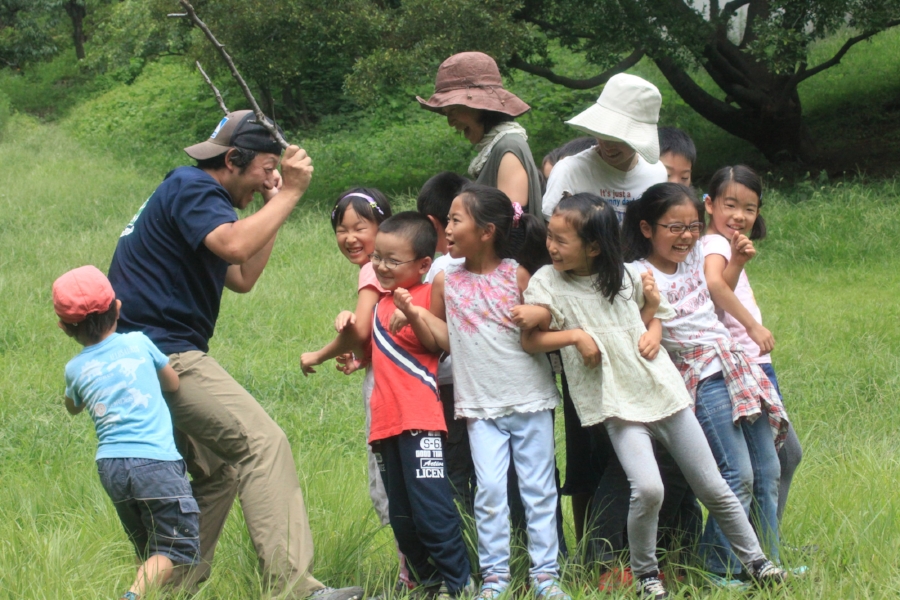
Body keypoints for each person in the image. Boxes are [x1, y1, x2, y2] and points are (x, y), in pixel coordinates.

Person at [106, 110, 362, 600]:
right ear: (232, 159)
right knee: (263, 444)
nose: (272, 176)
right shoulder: (190, 185)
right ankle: (295, 589)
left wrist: (276, 204)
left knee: (218, 472)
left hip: (141, 357)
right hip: (163, 351)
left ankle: (172, 588)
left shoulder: (196, 202)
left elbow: (241, 275)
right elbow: (233, 245)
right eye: (267, 167)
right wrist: (290, 192)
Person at [518, 193, 788, 599]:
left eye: (561, 239)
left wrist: (654, 331)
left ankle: (757, 562)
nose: (551, 246)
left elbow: (651, 318)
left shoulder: (626, 276)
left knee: (713, 485)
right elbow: (531, 340)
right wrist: (575, 335)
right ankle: (647, 575)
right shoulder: (547, 282)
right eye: (551, 237)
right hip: (617, 404)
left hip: (663, 390)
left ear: (593, 246)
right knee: (648, 488)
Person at [395, 184, 569, 600]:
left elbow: (548, 323)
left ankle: (546, 575)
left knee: (538, 489)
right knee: (490, 490)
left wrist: (541, 313)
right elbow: (444, 339)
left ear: (487, 231)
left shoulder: (517, 274)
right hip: (479, 407)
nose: (447, 229)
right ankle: (495, 576)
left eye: (456, 220)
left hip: (530, 399)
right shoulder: (446, 280)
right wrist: (414, 314)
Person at [623, 182, 790, 584]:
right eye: (674, 228)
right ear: (647, 229)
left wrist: (738, 260)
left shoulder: (699, 251)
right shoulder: (637, 274)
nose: (685, 237)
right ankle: (715, 565)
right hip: (700, 374)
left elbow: (717, 289)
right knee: (737, 474)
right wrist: (649, 308)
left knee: (768, 469)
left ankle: (762, 562)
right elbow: (640, 331)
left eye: (692, 227)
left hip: (733, 362)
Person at [54, 265, 199, 600]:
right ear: (117, 307)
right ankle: (132, 596)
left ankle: (145, 593)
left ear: (64, 328)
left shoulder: (74, 369)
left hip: (112, 467)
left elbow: (73, 406)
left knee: (147, 545)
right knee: (175, 548)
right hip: (156, 463)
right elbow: (173, 383)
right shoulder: (139, 343)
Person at [299, 190, 414, 589]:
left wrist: (317, 353)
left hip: (388, 391)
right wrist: (363, 356)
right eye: (341, 229)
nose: (349, 237)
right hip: (409, 381)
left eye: (359, 227)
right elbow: (379, 334)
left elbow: (362, 329)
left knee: (390, 479)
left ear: (383, 227)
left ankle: (410, 575)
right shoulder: (400, 271)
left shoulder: (371, 271)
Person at [364, 212, 474, 599]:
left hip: (420, 421)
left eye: (393, 260)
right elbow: (372, 348)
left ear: (423, 264)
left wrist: (412, 310)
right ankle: (428, 585)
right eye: (377, 256)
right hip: (384, 425)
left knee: (432, 510)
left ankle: (460, 583)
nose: (381, 266)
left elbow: (439, 344)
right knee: (401, 518)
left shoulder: (428, 295)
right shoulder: (378, 303)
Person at [700, 165, 803, 536]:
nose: (739, 215)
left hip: (751, 363)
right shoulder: (713, 244)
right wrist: (753, 325)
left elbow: (717, 291)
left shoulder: (724, 245)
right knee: (780, 458)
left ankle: (762, 549)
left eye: (750, 207)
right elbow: (714, 286)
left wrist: (739, 260)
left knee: (781, 458)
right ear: (709, 204)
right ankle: (754, 552)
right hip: (744, 363)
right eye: (730, 204)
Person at [417, 52, 544, 217]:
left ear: (480, 106)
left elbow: (512, 227)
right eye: (446, 113)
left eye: (454, 111)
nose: (450, 122)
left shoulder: (509, 148)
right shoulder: (496, 148)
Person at [416, 171, 474, 515]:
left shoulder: (437, 267)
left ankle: (462, 549)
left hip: (447, 385)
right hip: (482, 383)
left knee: (454, 474)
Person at [542, 73, 667, 222]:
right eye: (602, 133)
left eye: (619, 138)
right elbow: (554, 236)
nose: (607, 144)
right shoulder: (569, 171)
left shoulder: (656, 174)